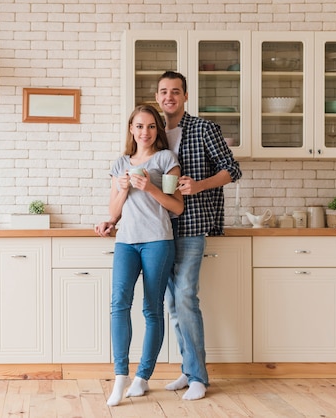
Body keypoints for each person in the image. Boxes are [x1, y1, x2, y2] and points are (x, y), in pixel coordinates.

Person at [156, 70, 242, 401]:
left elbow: (232, 170)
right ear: (158, 96)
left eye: (175, 91)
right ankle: (188, 369)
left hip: (191, 225)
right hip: (160, 229)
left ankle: (199, 378)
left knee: (186, 297)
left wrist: (198, 184)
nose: (169, 97)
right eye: (163, 91)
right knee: (173, 303)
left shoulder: (204, 128)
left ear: (185, 96)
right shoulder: (156, 132)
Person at [94, 104, 184, 407]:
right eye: (139, 126)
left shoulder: (166, 159)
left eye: (151, 126)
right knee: (118, 303)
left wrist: (149, 187)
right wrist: (121, 190)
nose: (145, 132)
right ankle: (121, 375)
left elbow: (177, 207)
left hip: (158, 241)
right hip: (126, 242)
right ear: (131, 130)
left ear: (158, 130)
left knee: (151, 309)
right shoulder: (120, 164)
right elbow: (114, 212)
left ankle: (142, 377)